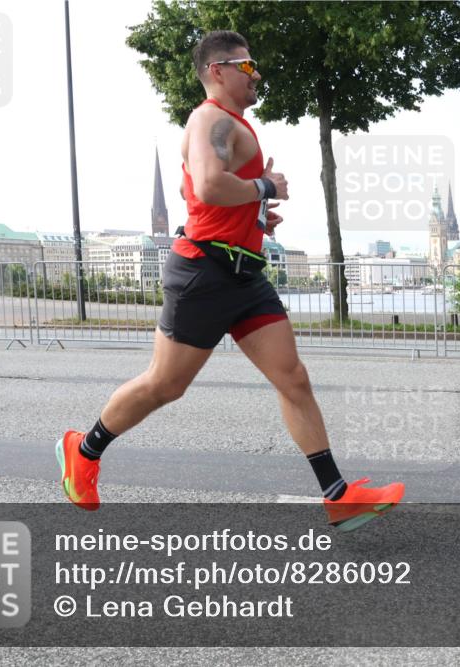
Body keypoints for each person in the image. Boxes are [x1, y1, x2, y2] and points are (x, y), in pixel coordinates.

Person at [56, 30, 404, 532]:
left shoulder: (233, 125)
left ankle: (337, 495)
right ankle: (83, 452)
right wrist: (265, 186)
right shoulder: (209, 118)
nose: (256, 73)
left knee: (293, 378)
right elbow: (206, 184)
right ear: (218, 71)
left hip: (244, 273)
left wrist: (255, 218)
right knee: (164, 385)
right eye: (247, 66)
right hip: (204, 272)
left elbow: (189, 189)